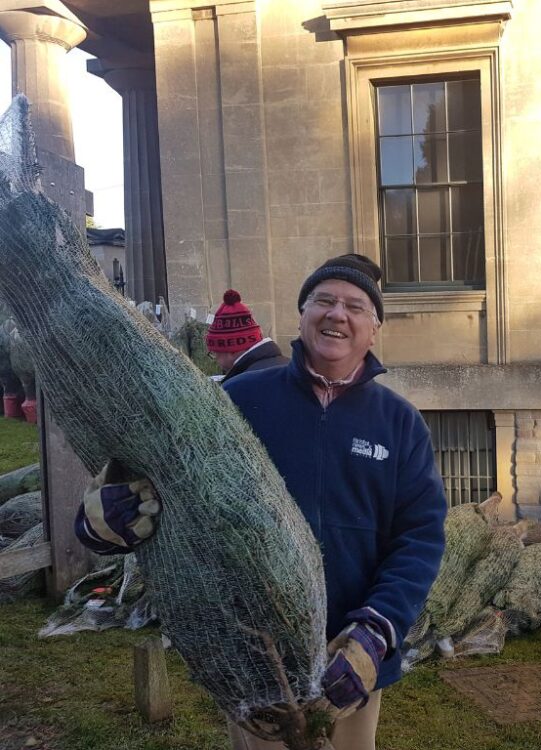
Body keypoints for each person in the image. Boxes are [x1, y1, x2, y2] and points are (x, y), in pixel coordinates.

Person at [76, 254, 448, 750]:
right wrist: (100, 519)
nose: (338, 314)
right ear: (301, 315)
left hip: (351, 660)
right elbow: (161, 484)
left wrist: (376, 632)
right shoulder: (240, 399)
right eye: (324, 300)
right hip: (253, 659)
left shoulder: (399, 423)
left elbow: (420, 538)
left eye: (356, 306)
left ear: (373, 329)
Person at [206, 289, 288, 383]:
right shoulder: (289, 367)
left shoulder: (241, 385)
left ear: (231, 350)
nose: (215, 359)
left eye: (214, 353)